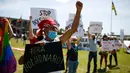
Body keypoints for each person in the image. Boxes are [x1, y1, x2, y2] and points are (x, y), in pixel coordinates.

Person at [18, 1, 83, 73]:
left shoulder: (58, 40)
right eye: (53, 28)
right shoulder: (38, 45)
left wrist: (78, 11)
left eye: (56, 28)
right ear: (45, 29)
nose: (55, 30)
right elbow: (20, 62)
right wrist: (29, 55)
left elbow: (73, 29)